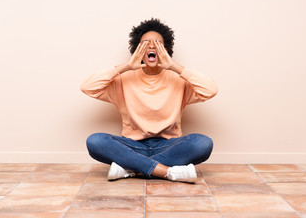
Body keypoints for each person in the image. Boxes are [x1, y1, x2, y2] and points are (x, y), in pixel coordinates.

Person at [80, 18, 218, 183]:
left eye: (157, 43)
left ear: (165, 49)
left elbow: (210, 89)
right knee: (95, 141)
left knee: (202, 143)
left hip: (169, 146)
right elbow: (87, 86)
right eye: (146, 43)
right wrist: (126, 66)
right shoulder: (124, 80)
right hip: (132, 146)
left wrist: (174, 66)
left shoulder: (178, 79)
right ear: (137, 49)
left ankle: (131, 169)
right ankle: (167, 171)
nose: (152, 46)